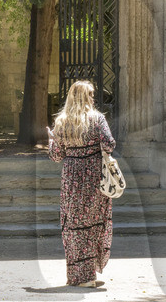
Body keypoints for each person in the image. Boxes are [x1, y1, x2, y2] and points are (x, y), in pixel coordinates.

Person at [46, 79, 116, 288]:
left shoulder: (61, 122)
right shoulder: (98, 118)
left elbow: (56, 156)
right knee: (94, 224)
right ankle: (88, 275)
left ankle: (80, 276)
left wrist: (52, 140)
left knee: (74, 226)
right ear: (84, 97)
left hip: (72, 177)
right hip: (94, 175)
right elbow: (109, 144)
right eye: (91, 94)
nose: (93, 98)